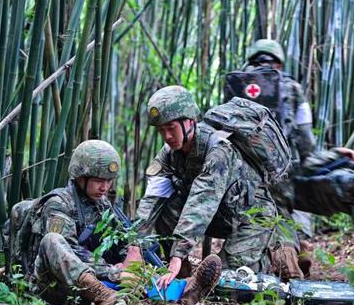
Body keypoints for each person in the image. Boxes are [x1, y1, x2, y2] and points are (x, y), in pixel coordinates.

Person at [123, 86, 303, 288]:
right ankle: (180, 273)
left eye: (171, 128)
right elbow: (152, 199)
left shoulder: (218, 151)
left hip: (251, 218)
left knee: (230, 276)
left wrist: (177, 254)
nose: (167, 136)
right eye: (161, 130)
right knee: (165, 203)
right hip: (220, 216)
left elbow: (201, 202)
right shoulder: (168, 155)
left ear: (190, 122)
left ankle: (278, 252)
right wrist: (134, 246)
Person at [18, 140, 221, 305]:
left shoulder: (101, 203)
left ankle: (184, 289)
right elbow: (67, 253)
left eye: (109, 180)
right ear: (80, 175)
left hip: (96, 282)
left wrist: (132, 258)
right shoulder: (58, 205)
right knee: (52, 240)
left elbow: (119, 239)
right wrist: (114, 272)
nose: (105, 187)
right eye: (99, 180)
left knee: (139, 256)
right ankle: (102, 295)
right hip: (52, 287)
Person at [240, 39, 317, 273]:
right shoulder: (292, 86)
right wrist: (309, 160)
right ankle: (292, 260)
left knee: (251, 215)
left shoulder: (239, 83)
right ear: (279, 63)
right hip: (282, 164)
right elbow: (304, 130)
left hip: (245, 165)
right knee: (281, 213)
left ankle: (253, 265)